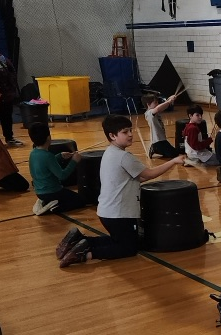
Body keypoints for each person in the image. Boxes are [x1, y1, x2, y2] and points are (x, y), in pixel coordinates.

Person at [55, 114, 185, 267]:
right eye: (125, 132)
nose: (130, 134)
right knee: (128, 248)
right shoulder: (124, 157)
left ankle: (79, 240)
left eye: (130, 130)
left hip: (106, 211)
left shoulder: (109, 153)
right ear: (112, 135)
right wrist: (173, 161)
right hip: (120, 214)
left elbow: (137, 178)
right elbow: (148, 174)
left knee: (119, 240)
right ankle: (84, 254)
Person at [27, 123, 85, 215]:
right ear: (49, 138)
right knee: (80, 201)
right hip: (53, 191)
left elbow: (45, 165)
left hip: (39, 192)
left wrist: (59, 156)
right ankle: (55, 208)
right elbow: (62, 175)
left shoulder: (33, 154)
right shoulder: (48, 156)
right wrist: (74, 161)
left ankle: (46, 202)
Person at [144, 92, 179, 158]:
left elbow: (162, 107)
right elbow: (157, 109)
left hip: (162, 140)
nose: (157, 104)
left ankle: (156, 149)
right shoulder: (149, 113)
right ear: (148, 104)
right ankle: (155, 149)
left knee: (175, 152)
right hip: (158, 141)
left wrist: (169, 100)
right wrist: (169, 101)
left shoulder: (154, 112)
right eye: (155, 103)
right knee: (174, 154)